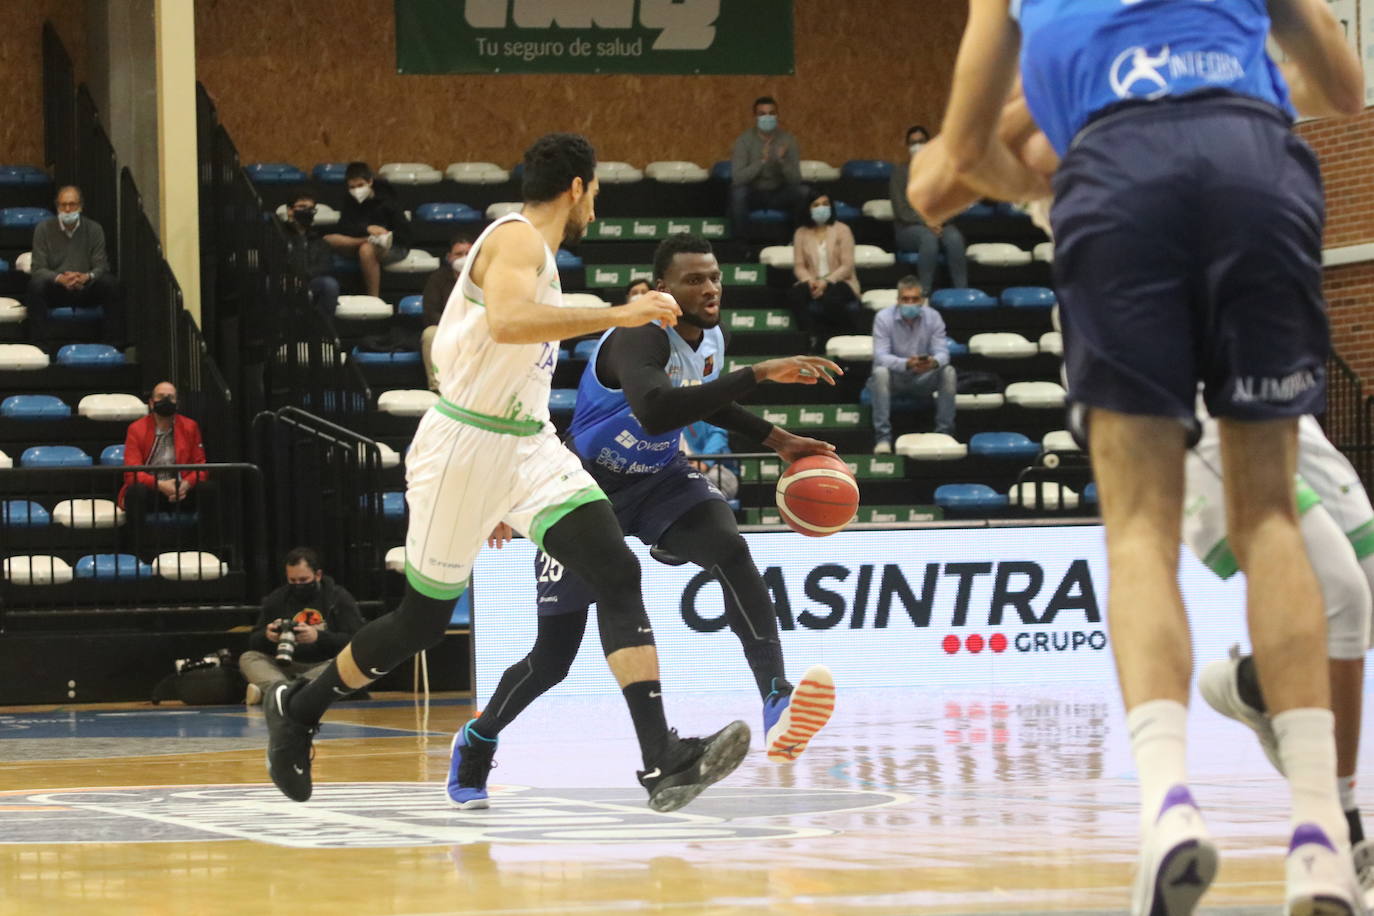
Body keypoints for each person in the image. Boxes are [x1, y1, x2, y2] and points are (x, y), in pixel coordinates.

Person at [909, 1, 1364, 912]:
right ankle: (1324, 828)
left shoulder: (1051, 61)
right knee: (1280, 529)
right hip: (1252, 172)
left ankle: (1174, 803)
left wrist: (1040, 159)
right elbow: (1342, 85)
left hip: (1121, 199)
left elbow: (943, 172)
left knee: (1149, 539)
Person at [262, 133, 751, 815]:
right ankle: (299, 706)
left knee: (617, 570)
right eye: (595, 191)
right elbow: (513, 321)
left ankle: (661, 759)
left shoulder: (538, 256)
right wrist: (621, 312)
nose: (596, 205)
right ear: (576, 188)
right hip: (465, 446)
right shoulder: (518, 239)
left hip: (528, 445)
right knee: (419, 624)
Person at [448, 234, 841, 809]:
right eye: (693, 280)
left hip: (659, 479)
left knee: (729, 548)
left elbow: (702, 398)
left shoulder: (711, 338)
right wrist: (759, 373)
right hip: (582, 490)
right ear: (663, 290)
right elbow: (656, 410)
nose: (709, 288)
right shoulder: (640, 332)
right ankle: (478, 739)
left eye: (714, 277)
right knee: (553, 659)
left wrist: (776, 439)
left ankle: (777, 699)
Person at [1185, 413, 1374, 888]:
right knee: (1342, 596)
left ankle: (1255, 686)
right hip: (1203, 404)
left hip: (1283, 396)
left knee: (1367, 598)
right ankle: (1339, 834)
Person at [239, 547, 366, 705]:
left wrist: (318, 637)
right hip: (287, 665)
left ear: (318, 575)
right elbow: (253, 641)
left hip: (324, 665)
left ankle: (279, 692)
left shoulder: (338, 598)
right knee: (249, 658)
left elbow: (357, 641)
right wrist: (268, 636)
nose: (298, 585)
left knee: (349, 664)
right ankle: (292, 690)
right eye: (292, 581)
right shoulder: (277, 598)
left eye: (303, 580)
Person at [867, 276, 955, 453]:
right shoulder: (883, 318)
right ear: (898, 300)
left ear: (921, 300)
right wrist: (906, 364)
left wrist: (932, 363)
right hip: (895, 379)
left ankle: (944, 434)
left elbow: (943, 353)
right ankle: (883, 438)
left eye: (914, 299)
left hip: (923, 377)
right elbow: (881, 357)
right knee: (880, 372)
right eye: (905, 299)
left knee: (948, 372)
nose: (910, 303)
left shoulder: (933, 317)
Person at [26, 184, 122, 345]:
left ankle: (114, 345)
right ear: (57, 206)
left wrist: (86, 276)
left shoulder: (94, 229)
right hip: (56, 289)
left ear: (81, 206)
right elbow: (38, 268)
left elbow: (101, 266)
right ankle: (40, 346)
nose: (68, 209)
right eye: (63, 205)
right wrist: (59, 278)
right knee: (35, 285)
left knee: (111, 284)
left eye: (72, 204)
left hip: (85, 287)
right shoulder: (43, 229)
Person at [117, 381, 208, 526]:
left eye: (170, 398)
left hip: (181, 489)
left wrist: (186, 484)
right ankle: (136, 540)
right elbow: (131, 473)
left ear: (177, 404)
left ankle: (208, 540)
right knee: (136, 492)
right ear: (151, 403)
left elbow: (201, 467)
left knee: (208, 489)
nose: (166, 401)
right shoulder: (136, 429)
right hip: (151, 490)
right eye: (160, 397)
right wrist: (160, 485)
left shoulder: (190, 427)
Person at [889, 126, 968, 291]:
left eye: (921, 142)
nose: (917, 146)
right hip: (908, 228)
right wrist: (927, 222)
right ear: (907, 146)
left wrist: (938, 221)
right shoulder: (899, 173)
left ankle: (961, 292)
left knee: (955, 238)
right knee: (928, 238)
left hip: (940, 223)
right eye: (913, 143)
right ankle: (924, 293)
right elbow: (902, 210)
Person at [323, 162, 412, 299]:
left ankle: (373, 298)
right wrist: (367, 229)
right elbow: (344, 226)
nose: (356, 190)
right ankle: (367, 240)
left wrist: (384, 234)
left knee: (366, 250)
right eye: (352, 187)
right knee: (328, 240)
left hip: (392, 246)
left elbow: (403, 232)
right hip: (360, 240)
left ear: (370, 181)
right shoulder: (349, 200)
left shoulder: (388, 199)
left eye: (360, 185)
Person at [788, 192, 861, 351]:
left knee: (831, 297)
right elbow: (799, 265)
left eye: (825, 204)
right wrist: (810, 281)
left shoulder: (843, 230)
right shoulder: (801, 233)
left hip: (840, 281)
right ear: (808, 209)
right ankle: (810, 336)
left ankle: (839, 335)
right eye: (816, 205)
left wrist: (826, 282)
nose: (821, 208)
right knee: (796, 294)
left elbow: (847, 265)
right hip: (813, 281)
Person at [729, 96, 805, 235]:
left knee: (803, 192)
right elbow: (738, 178)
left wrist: (781, 162)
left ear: (777, 115)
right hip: (753, 192)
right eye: (762, 114)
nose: (767, 117)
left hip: (779, 192)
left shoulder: (788, 140)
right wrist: (761, 161)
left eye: (771, 113)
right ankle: (740, 244)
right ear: (755, 117)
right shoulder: (744, 140)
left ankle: (797, 240)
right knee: (738, 194)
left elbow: (796, 179)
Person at [420, 233, 474, 392]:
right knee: (429, 334)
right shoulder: (437, 278)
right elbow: (430, 312)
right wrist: (455, 327)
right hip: (446, 328)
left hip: (475, 328)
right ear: (449, 257)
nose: (464, 258)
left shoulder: (485, 278)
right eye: (459, 254)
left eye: (468, 253)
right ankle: (437, 388)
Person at [282, 193, 338, 316]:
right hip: (282, 281)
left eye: (310, 208)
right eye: (302, 207)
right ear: (290, 210)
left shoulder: (319, 240)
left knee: (329, 284)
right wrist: (290, 277)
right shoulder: (277, 234)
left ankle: (322, 327)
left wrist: (303, 276)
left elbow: (325, 265)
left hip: (309, 281)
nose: (306, 211)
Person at [682, 420, 739, 500]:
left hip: (721, 473)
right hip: (689, 473)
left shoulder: (708, 419)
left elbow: (718, 435)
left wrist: (705, 463)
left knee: (710, 479)